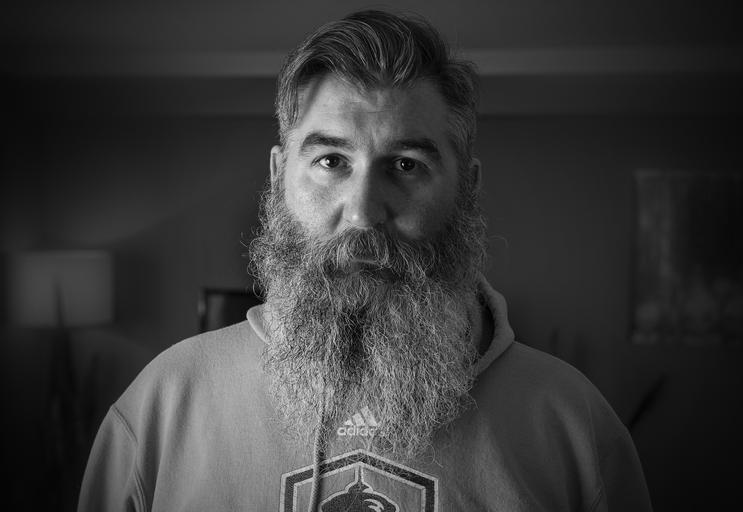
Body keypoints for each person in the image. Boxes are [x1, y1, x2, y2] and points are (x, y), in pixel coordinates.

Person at [78, 10, 653, 512]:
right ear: (278, 176)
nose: (363, 212)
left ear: (467, 189)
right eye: (331, 161)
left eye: (405, 165)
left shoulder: (571, 422)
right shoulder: (163, 404)